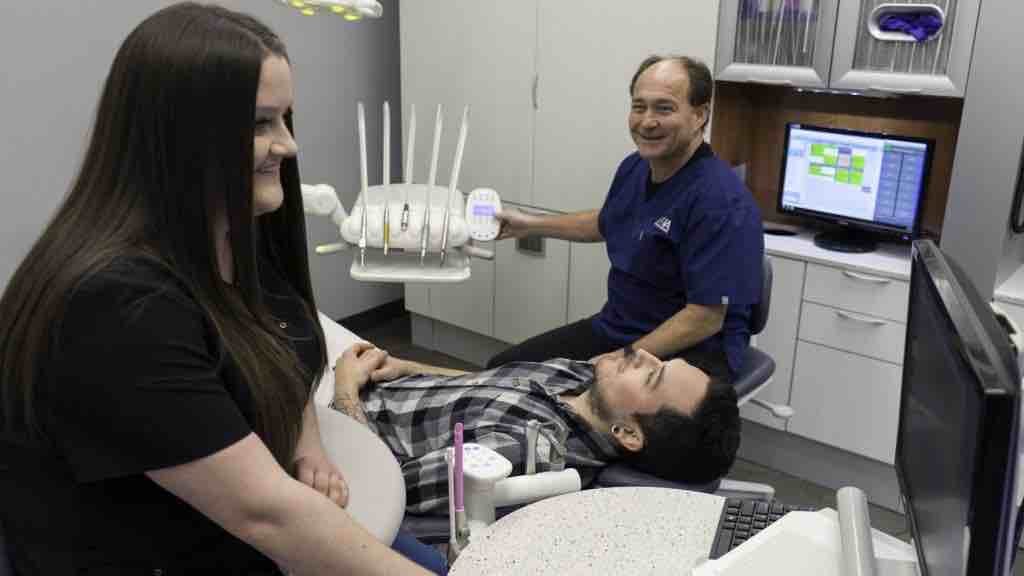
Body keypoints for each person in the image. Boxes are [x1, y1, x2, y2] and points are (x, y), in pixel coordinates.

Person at [0, 4, 437, 574]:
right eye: (260, 124)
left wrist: (305, 441)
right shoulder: (119, 308)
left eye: (286, 119)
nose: (288, 145)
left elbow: (280, 340)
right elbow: (268, 517)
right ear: (176, 135)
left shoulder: (232, 235)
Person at [489, 55, 764, 383]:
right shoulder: (635, 166)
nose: (647, 121)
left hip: (693, 352)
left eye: (664, 108)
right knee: (501, 372)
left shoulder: (721, 202)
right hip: (620, 327)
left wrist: (620, 360)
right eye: (639, 107)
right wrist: (529, 223)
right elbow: (609, 221)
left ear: (699, 115)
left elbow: (705, 318)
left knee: (575, 412)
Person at [331, 342, 741, 513]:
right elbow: (486, 383)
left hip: (339, 436)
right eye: (659, 361)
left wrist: (345, 389)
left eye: (652, 377)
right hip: (373, 383)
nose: (643, 354)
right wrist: (407, 368)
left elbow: (379, 490)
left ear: (630, 434)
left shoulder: (523, 455)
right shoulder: (584, 379)